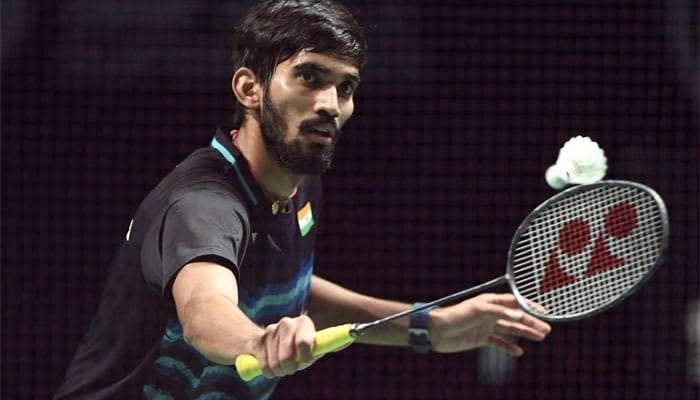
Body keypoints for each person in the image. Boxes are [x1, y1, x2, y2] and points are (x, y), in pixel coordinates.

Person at [54, 1, 551, 399]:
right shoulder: (204, 206)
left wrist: (427, 325)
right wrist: (257, 341)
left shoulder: (296, 179)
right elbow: (204, 310)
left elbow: (287, 285)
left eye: (345, 87)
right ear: (250, 88)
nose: (330, 105)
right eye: (309, 77)